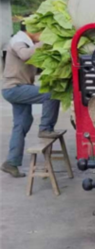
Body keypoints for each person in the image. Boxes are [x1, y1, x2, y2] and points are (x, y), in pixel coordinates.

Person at [1, 23, 61, 177]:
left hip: (19, 88)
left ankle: (11, 162)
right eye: (41, 31)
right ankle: (46, 128)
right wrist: (43, 43)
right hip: (14, 88)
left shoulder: (28, 42)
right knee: (51, 94)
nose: (42, 34)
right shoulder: (18, 40)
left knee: (22, 124)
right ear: (30, 29)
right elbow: (24, 55)